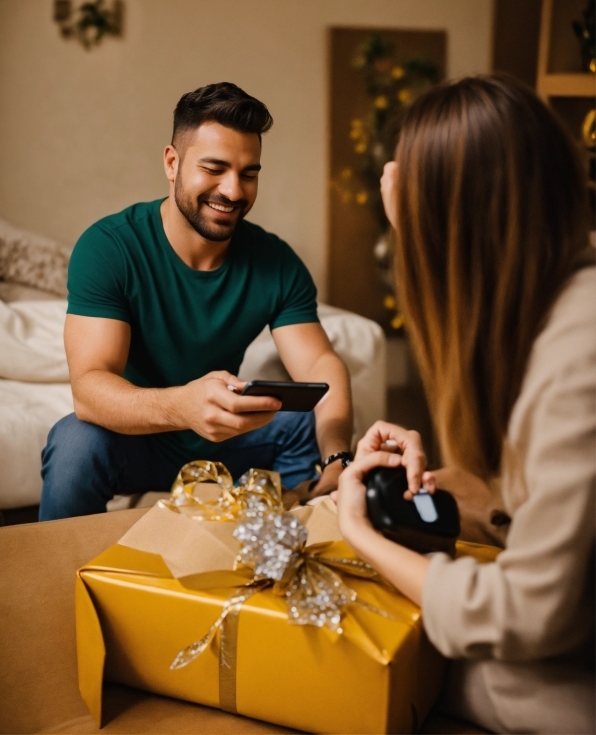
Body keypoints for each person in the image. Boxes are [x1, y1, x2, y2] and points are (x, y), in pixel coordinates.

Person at [333, 75, 595, 734]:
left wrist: (362, 537)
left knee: (447, 667)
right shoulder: (567, 291)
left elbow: (532, 616)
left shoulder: (578, 353)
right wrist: (483, 500)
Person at [40, 82, 353, 521]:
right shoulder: (109, 247)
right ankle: (56, 584)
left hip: (229, 442)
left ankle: (280, 554)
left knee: (306, 424)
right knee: (74, 441)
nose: (233, 191)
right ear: (172, 163)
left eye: (249, 173)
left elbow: (320, 365)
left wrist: (339, 458)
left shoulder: (277, 262)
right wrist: (183, 406)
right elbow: (90, 389)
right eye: (214, 168)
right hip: (137, 436)